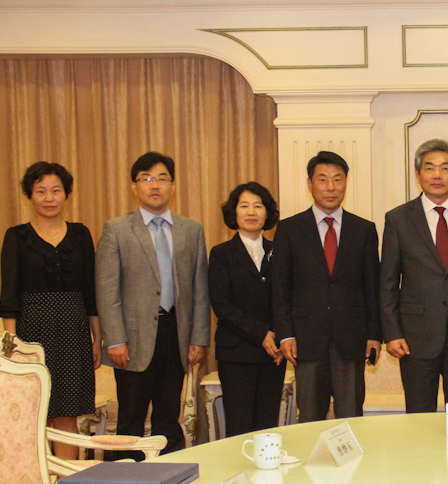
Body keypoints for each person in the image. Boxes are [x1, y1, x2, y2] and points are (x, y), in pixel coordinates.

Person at [96, 152, 211, 455]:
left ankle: (170, 474)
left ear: (173, 185)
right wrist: (115, 339)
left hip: (176, 334)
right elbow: (106, 289)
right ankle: (126, 476)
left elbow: (199, 288)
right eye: (146, 179)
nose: (155, 185)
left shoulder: (191, 230)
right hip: (131, 340)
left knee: (168, 417)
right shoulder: (116, 229)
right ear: (134, 187)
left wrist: (198, 337)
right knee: (131, 419)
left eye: (162, 178)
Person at [1, 162, 101, 460]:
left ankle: (66, 483)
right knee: (34, 414)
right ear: (30, 196)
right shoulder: (17, 237)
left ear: (67, 194)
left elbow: (91, 293)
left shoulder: (81, 235)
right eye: (40, 191)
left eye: (55, 190)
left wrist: (97, 338)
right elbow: (9, 297)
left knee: (67, 415)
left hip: (73, 331)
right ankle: (38, 482)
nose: (49, 198)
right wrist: (13, 347)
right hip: (31, 333)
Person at [381, 139, 448, 413]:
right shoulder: (398, 219)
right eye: (429, 168)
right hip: (415, 338)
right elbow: (388, 282)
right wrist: (392, 333)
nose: (437, 175)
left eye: (445, 168)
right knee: (418, 417)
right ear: (418, 175)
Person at [273, 151, 381, 423]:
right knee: (309, 417)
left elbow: (373, 287)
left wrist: (374, 335)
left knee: (351, 418)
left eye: (337, 179)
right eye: (323, 179)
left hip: (351, 340)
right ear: (310, 183)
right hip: (306, 340)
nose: (330, 187)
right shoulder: (289, 229)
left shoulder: (364, 230)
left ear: (346, 183)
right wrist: (285, 335)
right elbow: (280, 287)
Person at [209, 182, 286, 437]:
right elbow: (222, 304)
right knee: (239, 426)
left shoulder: (280, 251)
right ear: (234, 212)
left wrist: (281, 337)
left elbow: (287, 299)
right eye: (244, 206)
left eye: (258, 206)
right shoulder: (221, 254)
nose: (251, 212)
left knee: (267, 426)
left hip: (273, 354)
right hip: (237, 353)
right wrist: (261, 334)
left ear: (267, 213)